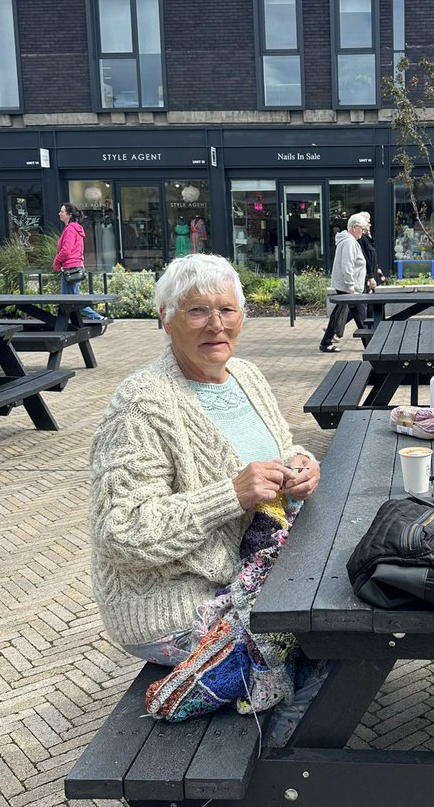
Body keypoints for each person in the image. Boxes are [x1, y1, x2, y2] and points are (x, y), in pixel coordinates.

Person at [89, 253, 321, 664]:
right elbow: (119, 532)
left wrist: (302, 464)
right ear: (166, 318)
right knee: (324, 634)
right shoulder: (140, 405)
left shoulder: (246, 374)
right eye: (197, 311)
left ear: (242, 316)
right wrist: (230, 495)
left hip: (253, 569)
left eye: (227, 309)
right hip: (176, 606)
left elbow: (283, 448)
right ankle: (292, 722)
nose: (217, 324)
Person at [319, 212, 367, 353]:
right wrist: (350, 285)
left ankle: (326, 342)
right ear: (355, 227)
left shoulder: (349, 241)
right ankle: (371, 346)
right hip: (349, 287)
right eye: (362, 229)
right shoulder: (349, 242)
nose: (363, 233)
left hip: (347, 286)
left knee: (348, 314)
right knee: (360, 316)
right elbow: (347, 265)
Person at [53, 203, 104, 323]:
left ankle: (97, 317)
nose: (59, 213)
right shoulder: (74, 228)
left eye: (62, 211)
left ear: (69, 215)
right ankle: (67, 325)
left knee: (72, 301)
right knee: (67, 301)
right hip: (73, 267)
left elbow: (66, 250)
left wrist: (56, 261)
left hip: (70, 269)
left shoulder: (70, 229)